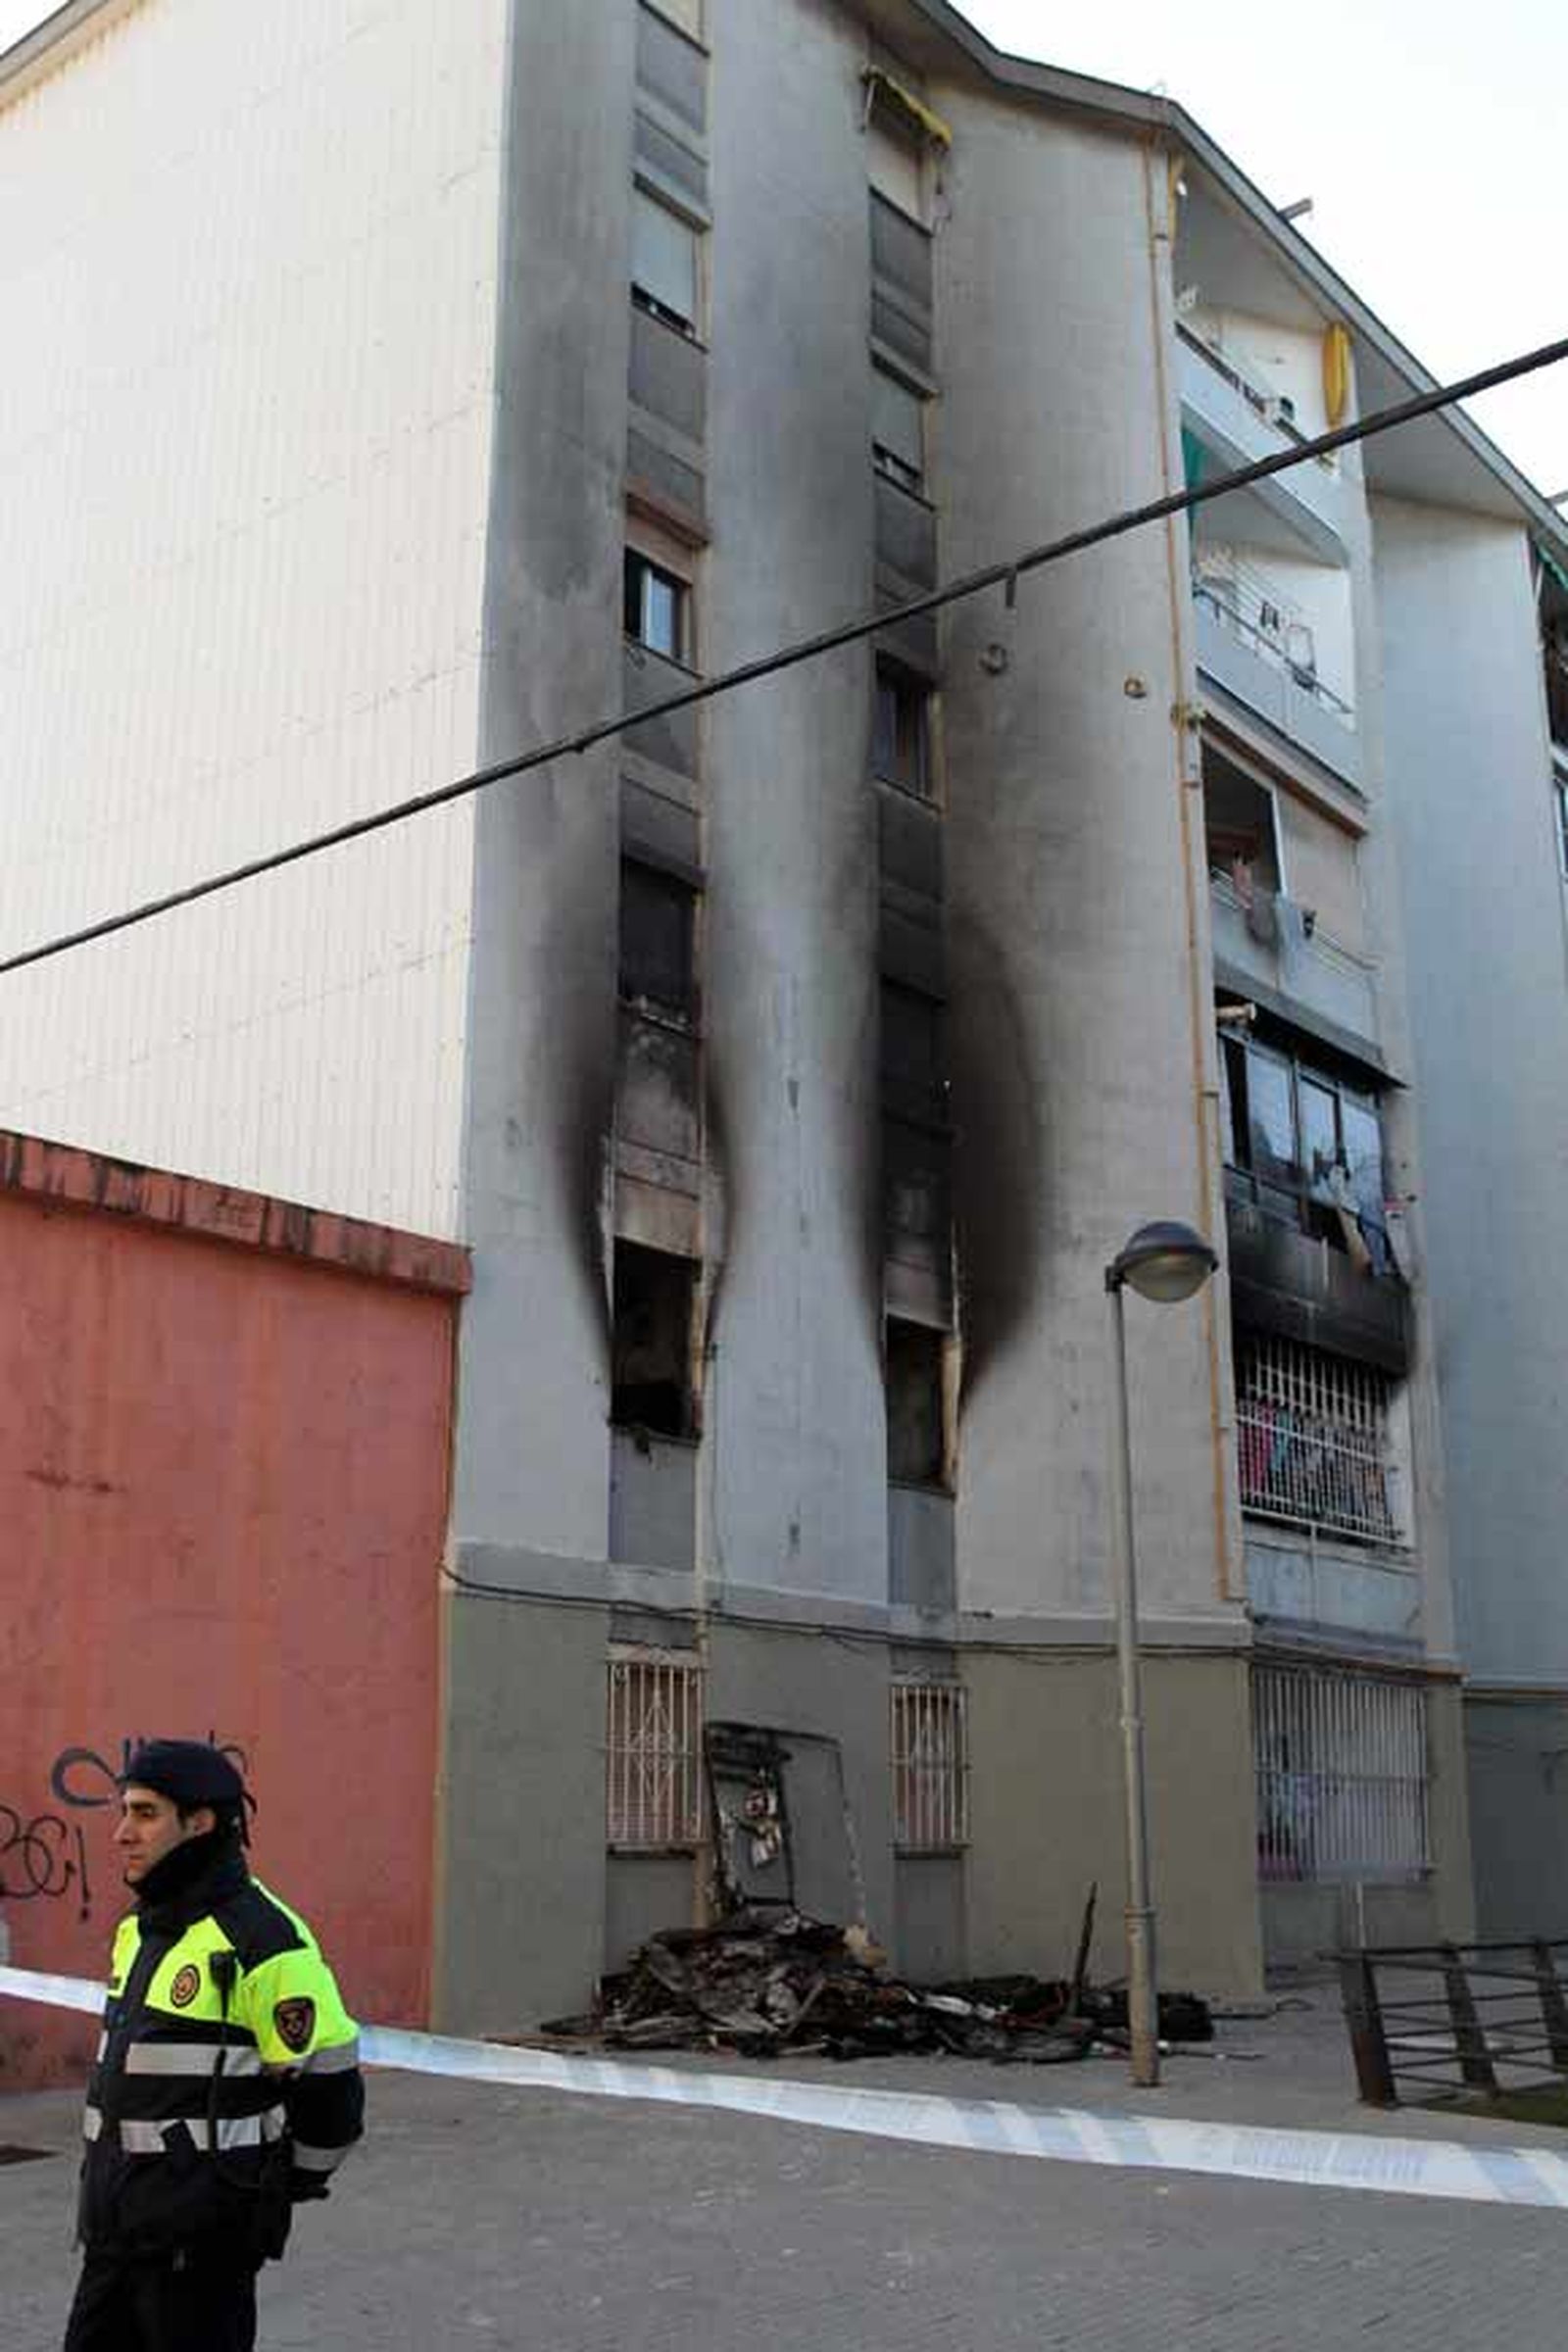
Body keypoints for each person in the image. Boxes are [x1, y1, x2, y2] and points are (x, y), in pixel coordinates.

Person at [63, 1740, 366, 2352]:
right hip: (114, 2235)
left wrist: (283, 2185)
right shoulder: (139, 1929)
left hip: (199, 2251)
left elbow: (332, 2092)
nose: (122, 1833)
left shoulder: (265, 1939)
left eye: (145, 1813)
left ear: (200, 1823)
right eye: (123, 1811)